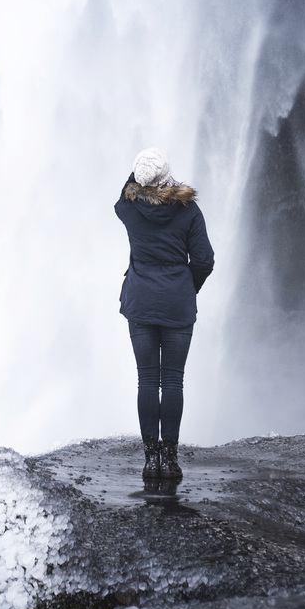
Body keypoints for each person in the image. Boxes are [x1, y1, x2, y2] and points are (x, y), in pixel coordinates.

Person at [114, 146, 215, 483]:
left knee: (147, 378)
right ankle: (170, 459)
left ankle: (149, 459)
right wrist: (188, 286)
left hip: (140, 301)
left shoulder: (129, 208)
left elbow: (122, 194)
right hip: (176, 303)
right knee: (172, 380)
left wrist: (138, 175)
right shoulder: (188, 211)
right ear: (167, 176)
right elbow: (204, 260)